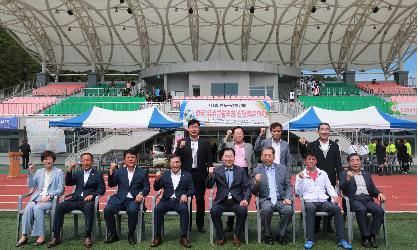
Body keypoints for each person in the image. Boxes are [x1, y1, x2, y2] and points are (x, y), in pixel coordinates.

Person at [295, 153, 352, 250]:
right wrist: (300, 179)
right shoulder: (300, 175)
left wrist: (334, 197)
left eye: (313, 159)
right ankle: (310, 239)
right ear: (305, 161)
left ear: (316, 161)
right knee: (310, 208)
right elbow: (297, 192)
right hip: (309, 201)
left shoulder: (323, 173)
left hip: (323, 201)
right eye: (309, 159)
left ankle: (341, 239)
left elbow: (329, 187)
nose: (311, 161)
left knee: (336, 209)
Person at [48, 153, 105, 248]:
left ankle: (88, 236)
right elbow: (68, 182)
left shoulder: (98, 174)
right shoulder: (78, 173)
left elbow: (102, 189)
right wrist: (69, 170)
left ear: (92, 161)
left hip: (88, 201)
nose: (86, 162)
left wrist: (92, 195)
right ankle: (56, 236)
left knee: (89, 207)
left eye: (88, 160)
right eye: (84, 160)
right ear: (81, 162)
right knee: (60, 206)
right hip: (75, 199)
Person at [299, 123, 342, 232]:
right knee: (316, 199)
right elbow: (306, 156)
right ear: (318, 131)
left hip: (330, 177)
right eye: (322, 129)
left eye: (326, 129)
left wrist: (340, 177)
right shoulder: (312, 145)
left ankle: (328, 225)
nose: (324, 131)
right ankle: (316, 225)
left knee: (328, 200)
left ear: (329, 131)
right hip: (316, 177)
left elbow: (338, 163)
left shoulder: (335, 145)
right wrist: (302, 145)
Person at [16, 150, 65, 247]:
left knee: (37, 208)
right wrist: (31, 172)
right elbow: (31, 185)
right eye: (45, 159)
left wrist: (49, 196)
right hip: (38, 198)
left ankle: (41, 235)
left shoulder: (59, 172)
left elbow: (61, 189)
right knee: (29, 207)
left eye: (50, 159)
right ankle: (24, 235)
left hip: (51, 200)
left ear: (53, 160)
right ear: (43, 161)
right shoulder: (39, 171)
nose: (47, 161)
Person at [104, 149, 150, 245]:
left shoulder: (142, 172)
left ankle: (131, 234)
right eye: (128, 157)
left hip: (134, 200)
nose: (130, 159)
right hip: (120, 198)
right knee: (107, 209)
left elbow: (146, 188)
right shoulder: (119, 172)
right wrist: (111, 171)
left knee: (133, 210)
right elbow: (111, 184)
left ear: (136, 159)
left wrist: (141, 194)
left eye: (133, 157)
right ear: (124, 160)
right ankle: (113, 233)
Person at [339, 153, 386, 248]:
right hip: (354, 200)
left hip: (367, 199)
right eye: (352, 161)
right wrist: (348, 178)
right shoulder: (344, 173)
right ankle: (365, 237)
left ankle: (372, 235)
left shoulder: (366, 174)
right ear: (349, 162)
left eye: (357, 160)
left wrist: (379, 193)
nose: (355, 163)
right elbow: (341, 188)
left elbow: (372, 188)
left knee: (379, 210)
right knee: (361, 209)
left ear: (360, 162)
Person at [175, 119, 213, 233]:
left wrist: (210, 170)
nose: (194, 129)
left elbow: (209, 159)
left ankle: (200, 224)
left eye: (196, 127)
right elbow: (176, 156)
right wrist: (180, 147)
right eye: (192, 127)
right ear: (188, 129)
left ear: (198, 128)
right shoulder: (183, 141)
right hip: (186, 174)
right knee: (187, 200)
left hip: (200, 174)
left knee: (200, 200)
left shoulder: (204, 142)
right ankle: (188, 224)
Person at [207, 148, 250, 246]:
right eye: (226, 156)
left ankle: (237, 236)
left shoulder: (241, 170)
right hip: (221, 201)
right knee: (214, 211)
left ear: (234, 157)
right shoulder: (217, 170)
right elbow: (209, 185)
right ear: (222, 158)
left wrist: (245, 199)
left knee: (243, 211)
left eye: (231, 156)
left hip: (237, 201)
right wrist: (210, 175)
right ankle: (221, 236)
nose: (228, 159)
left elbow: (247, 187)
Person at [251, 146, 293, 245]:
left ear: (273, 157)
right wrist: (256, 182)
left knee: (288, 209)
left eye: (269, 155)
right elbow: (253, 191)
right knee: (266, 209)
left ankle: (281, 234)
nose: (267, 158)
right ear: (261, 157)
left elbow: (288, 185)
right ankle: (267, 235)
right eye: (264, 155)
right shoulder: (256, 170)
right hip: (265, 199)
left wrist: (287, 197)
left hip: (281, 199)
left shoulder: (283, 168)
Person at [151, 155, 194, 248]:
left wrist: (185, 194)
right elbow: (156, 188)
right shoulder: (164, 175)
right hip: (166, 201)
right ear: (169, 164)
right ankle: (157, 237)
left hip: (179, 202)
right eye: (173, 163)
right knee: (157, 209)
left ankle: (183, 237)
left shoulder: (187, 175)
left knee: (184, 210)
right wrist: (157, 179)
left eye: (177, 162)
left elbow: (192, 189)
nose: (175, 165)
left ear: (180, 163)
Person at [218, 126, 256, 232]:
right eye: (236, 133)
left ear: (243, 135)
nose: (238, 135)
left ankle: (241, 224)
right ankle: (230, 224)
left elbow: (253, 162)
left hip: (245, 173)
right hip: (232, 172)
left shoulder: (249, 146)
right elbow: (220, 149)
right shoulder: (229, 144)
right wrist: (227, 136)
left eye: (240, 133)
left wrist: (252, 174)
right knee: (232, 197)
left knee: (244, 198)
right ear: (233, 135)